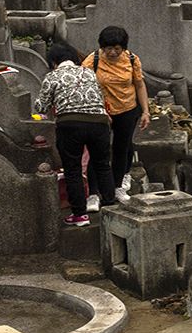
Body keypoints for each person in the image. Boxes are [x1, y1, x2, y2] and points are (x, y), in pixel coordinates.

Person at [36, 43, 112, 227]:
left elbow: (41, 107)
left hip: (70, 124)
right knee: (103, 166)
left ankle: (79, 215)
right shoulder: (88, 73)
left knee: (73, 170)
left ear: (54, 62)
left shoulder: (52, 77)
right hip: (99, 122)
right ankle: (112, 209)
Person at [85, 26, 149, 197]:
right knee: (98, 150)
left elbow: (139, 85)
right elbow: (85, 87)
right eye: (108, 49)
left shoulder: (132, 60)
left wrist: (145, 111)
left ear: (123, 48)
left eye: (117, 49)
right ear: (102, 47)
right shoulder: (93, 61)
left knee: (122, 148)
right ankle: (94, 191)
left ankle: (117, 186)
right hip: (101, 111)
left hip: (127, 110)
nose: (112, 52)